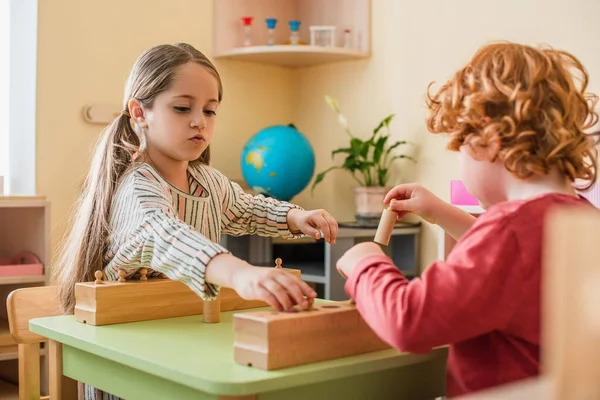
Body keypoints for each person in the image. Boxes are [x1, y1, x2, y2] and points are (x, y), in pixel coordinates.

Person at [52, 43, 338, 400]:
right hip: (127, 353)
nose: (199, 121)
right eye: (183, 108)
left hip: (182, 335)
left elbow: (245, 208)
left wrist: (296, 216)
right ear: (139, 112)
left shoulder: (209, 180)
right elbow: (166, 235)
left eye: (210, 110)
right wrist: (241, 274)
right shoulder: (136, 186)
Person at [335, 41, 599, 398]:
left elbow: (409, 322)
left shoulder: (509, 230)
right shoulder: (582, 219)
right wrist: (443, 213)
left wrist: (367, 264)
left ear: (488, 140)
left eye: (459, 147)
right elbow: (520, 271)